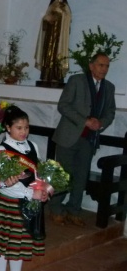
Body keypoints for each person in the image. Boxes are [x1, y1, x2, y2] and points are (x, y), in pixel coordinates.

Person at [49, 53, 116, 226]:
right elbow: (63, 105)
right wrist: (85, 121)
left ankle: (74, 210)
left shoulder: (109, 87)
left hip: (89, 139)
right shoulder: (77, 81)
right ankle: (56, 208)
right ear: (91, 66)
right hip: (69, 136)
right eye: (101, 65)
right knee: (63, 175)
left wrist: (100, 123)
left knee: (81, 176)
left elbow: (110, 112)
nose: (104, 69)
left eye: (107, 66)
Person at [0, 106, 48, 271]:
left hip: (29, 201)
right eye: (18, 127)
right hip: (9, 202)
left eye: (26, 127)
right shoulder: (1, 151)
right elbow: (2, 184)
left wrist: (44, 190)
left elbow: (37, 174)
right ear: (7, 128)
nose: (23, 132)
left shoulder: (32, 146)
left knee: (20, 244)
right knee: (3, 246)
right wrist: (30, 193)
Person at [34, 0, 72, 85]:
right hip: (49, 36)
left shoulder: (64, 6)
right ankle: (46, 76)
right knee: (47, 55)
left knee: (57, 55)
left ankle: (56, 76)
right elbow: (45, 22)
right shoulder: (51, 6)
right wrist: (46, 19)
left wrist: (60, 14)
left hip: (59, 37)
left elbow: (67, 19)